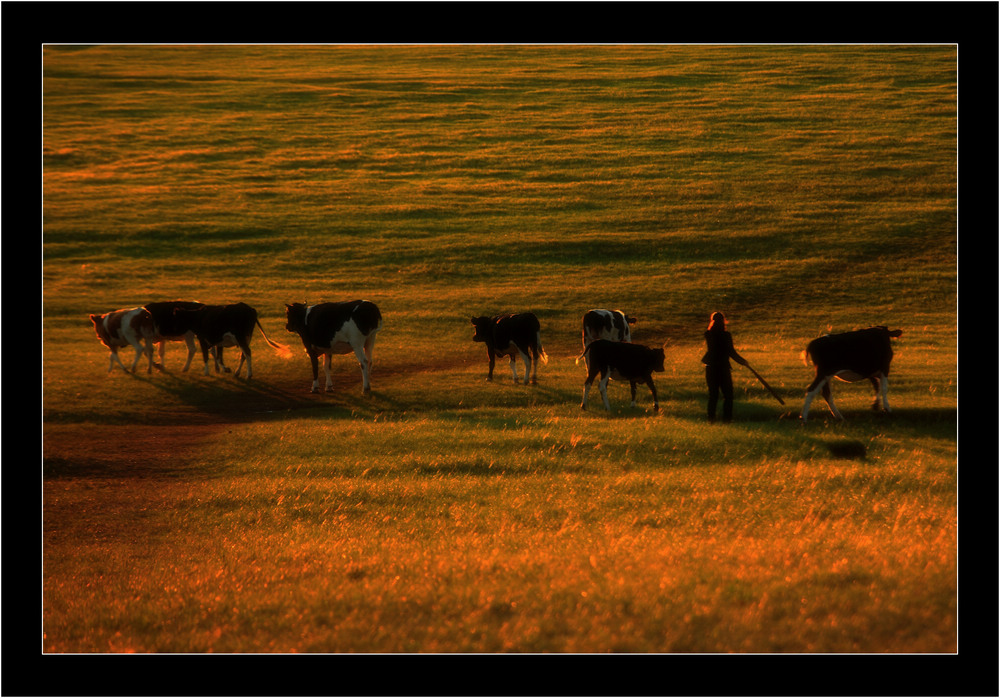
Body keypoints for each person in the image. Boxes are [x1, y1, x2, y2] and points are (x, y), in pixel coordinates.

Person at [701, 312, 749, 423]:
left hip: (711, 367)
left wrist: (742, 361)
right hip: (723, 368)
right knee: (728, 395)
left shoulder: (708, 334)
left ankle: (711, 419)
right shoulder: (726, 335)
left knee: (713, 395)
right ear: (723, 321)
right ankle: (727, 419)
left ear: (712, 321)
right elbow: (731, 352)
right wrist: (743, 362)